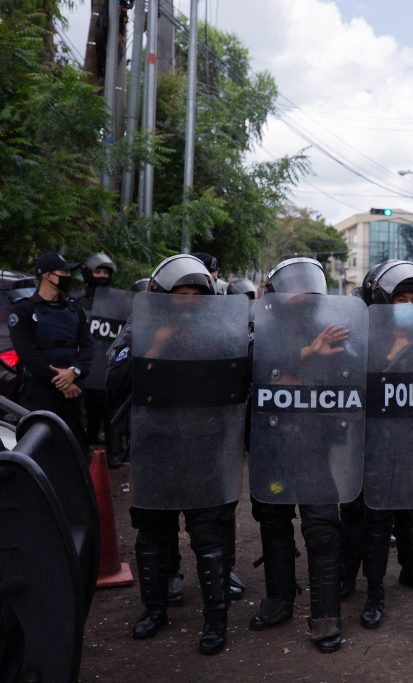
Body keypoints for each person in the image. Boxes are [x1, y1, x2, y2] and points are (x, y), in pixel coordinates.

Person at [107, 254, 243, 655]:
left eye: (193, 294)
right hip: (155, 447)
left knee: (208, 536)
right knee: (152, 534)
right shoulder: (138, 329)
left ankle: (215, 620)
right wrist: (157, 340)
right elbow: (114, 386)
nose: (186, 301)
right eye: (178, 294)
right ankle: (155, 609)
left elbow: (240, 380)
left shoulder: (221, 330)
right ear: (160, 295)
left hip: (205, 449)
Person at [247, 257, 348, 654]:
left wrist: (304, 363)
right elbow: (255, 371)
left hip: (315, 444)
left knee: (322, 527)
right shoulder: (260, 330)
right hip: (272, 446)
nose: (302, 296)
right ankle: (279, 599)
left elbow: (349, 376)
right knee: (273, 520)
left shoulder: (335, 331)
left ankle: (326, 614)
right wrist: (305, 356)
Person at [349, 260, 413, 645]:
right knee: (377, 526)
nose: (407, 305)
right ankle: (374, 596)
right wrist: (391, 354)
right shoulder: (363, 341)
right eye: (400, 299)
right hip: (379, 450)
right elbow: (352, 392)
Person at [7, 252, 93, 455]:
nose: (68, 276)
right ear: (47, 275)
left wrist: (75, 372)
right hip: (40, 393)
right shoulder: (23, 311)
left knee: (76, 452)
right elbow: (28, 356)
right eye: (63, 272)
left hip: (73, 394)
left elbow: (88, 348)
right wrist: (62, 381)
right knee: (40, 453)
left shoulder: (75, 310)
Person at [80, 252, 129, 468]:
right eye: (97, 271)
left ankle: (114, 454)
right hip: (85, 366)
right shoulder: (77, 299)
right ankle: (85, 447)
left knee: (113, 412)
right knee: (86, 412)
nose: (102, 276)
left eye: (105, 272)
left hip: (109, 364)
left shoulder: (120, 302)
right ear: (88, 274)